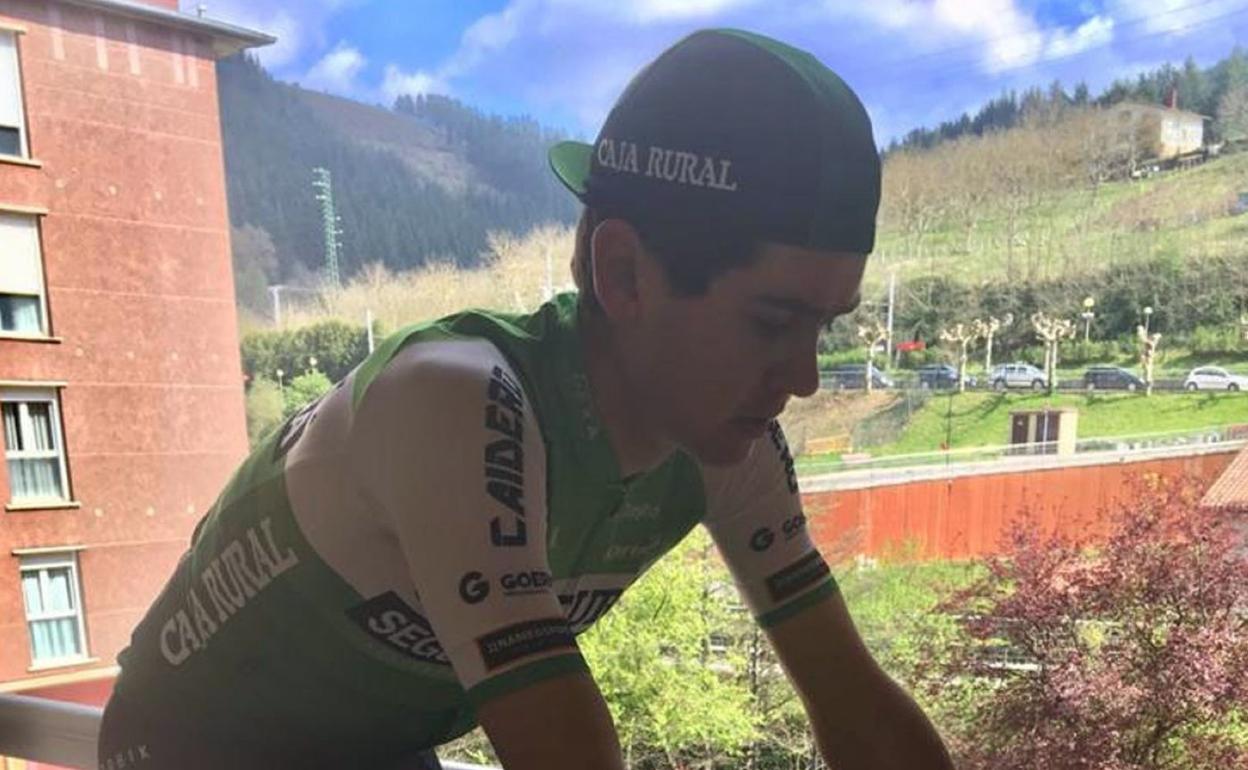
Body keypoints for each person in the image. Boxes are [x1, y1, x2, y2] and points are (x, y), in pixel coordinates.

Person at [98, 28, 953, 770]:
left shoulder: (729, 436)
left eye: (825, 326)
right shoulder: (453, 399)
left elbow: (854, 703)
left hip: (369, 747)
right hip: (185, 750)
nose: (803, 377)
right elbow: (566, 753)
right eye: (771, 322)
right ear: (623, 273)